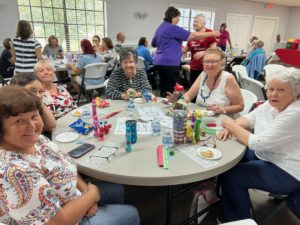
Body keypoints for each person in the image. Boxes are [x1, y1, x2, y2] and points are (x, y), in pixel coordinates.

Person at [0, 86, 140, 225]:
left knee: (117, 188)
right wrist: (93, 194)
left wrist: (86, 195)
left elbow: (64, 165)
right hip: (65, 219)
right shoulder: (14, 171)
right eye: (19, 121)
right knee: (131, 213)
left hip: (74, 198)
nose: (31, 126)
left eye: (34, 116)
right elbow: (57, 222)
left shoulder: (37, 141)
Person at [217, 67, 300, 223]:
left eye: (281, 90)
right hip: (267, 156)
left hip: (287, 170)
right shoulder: (271, 103)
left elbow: (258, 143)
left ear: (295, 92)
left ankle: (237, 219)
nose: (274, 94)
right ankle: (230, 202)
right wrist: (234, 125)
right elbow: (249, 119)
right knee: (227, 161)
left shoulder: (296, 112)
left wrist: (229, 124)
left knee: (233, 176)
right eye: (271, 89)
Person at [151, 6, 219, 97]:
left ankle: (164, 104)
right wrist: (214, 33)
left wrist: (168, 47)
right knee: (175, 90)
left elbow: (153, 43)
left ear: (204, 23)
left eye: (197, 21)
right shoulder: (173, 28)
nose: (178, 21)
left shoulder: (160, 28)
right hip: (171, 64)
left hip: (159, 63)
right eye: (178, 19)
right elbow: (193, 36)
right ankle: (173, 108)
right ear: (174, 17)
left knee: (165, 88)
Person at [167, 48, 243, 117]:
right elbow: (189, 95)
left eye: (214, 62)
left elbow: (240, 106)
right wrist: (179, 102)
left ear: (221, 63)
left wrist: (222, 109)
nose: (209, 65)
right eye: (206, 61)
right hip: (202, 119)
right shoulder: (203, 74)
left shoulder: (228, 78)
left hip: (224, 121)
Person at [183, 14, 217, 86]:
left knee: (205, 89)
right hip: (194, 67)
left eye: (197, 22)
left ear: (204, 23)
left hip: (206, 67)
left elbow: (214, 50)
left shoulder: (209, 33)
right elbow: (185, 49)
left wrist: (204, 53)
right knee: (194, 88)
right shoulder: (193, 35)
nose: (194, 24)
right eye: (194, 22)